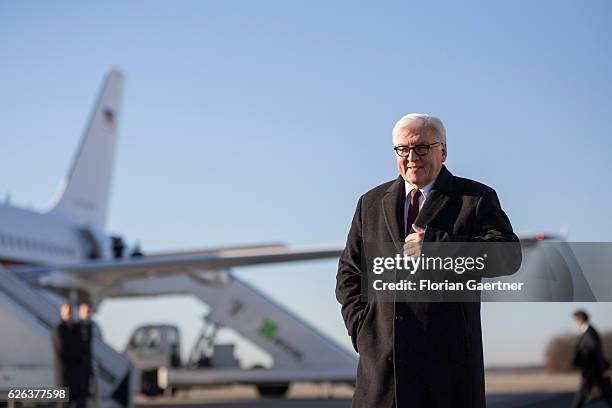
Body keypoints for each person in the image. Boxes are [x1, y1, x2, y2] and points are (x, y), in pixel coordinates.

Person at [336, 113, 522, 408]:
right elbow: (349, 273)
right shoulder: (370, 202)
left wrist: (438, 246)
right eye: (403, 149)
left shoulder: (474, 198)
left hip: (446, 372)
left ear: (443, 151)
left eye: (422, 147)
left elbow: (508, 257)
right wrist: (363, 331)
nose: (412, 157)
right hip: (383, 374)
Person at [572, 310, 612, 407]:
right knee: (607, 394)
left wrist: (599, 366)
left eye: (575, 320)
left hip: (592, 369)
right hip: (595, 369)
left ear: (579, 319)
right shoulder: (588, 331)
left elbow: (594, 349)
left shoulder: (589, 332)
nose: (575, 322)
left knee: (582, 395)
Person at [52, 303, 79, 407]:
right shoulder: (59, 329)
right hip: (64, 374)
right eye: (67, 312)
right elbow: (64, 349)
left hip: (74, 375)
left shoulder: (75, 329)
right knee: (63, 403)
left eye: (70, 312)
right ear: (61, 313)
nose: (69, 315)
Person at [76, 302, 102, 408]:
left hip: (92, 365)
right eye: (85, 311)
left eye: (89, 311)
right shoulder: (76, 328)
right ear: (79, 312)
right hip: (79, 366)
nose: (87, 313)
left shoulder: (94, 327)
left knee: (93, 395)